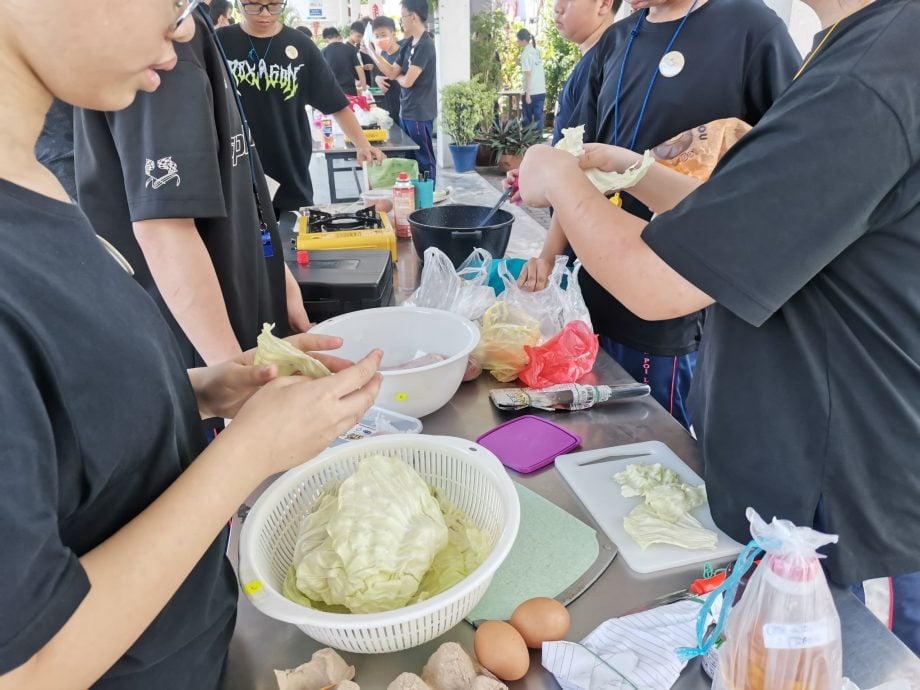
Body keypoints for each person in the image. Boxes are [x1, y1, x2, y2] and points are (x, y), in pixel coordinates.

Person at [517, 0, 920, 655]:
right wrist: (637, 171)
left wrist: (562, 180)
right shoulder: (854, 47)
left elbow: (659, 279)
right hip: (795, 503)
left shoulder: (871, 76)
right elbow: (743, 220)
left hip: (846, 521)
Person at [0, 1, 381, 688]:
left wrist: (204, 388)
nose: (182, 32)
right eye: (173, 3)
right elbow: (28, 668)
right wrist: (249, 453)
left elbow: (63, 422)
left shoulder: (35, 185)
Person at [516, 0, 800, 430]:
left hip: (667, 309)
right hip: (588, 294)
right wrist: (549, 256)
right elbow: (579, 166)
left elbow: (786, 177)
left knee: (655, 445)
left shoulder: (751, 29)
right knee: (591, 435)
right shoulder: (616, 40)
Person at [74, 7, 310, 381]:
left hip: (233, 321)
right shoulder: (162, 33)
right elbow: (163, 228)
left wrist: (274, 269)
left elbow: (232, 167)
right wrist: (237, 382)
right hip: (198, 345)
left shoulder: (186, 23)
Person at [218, 6, 384, 215]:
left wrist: (363, 145)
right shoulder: (219, 42)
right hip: (234, 169)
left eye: (274, 5)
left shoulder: (301, 45)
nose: (265, 14)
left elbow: (334, 102)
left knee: (290, 240)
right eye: (254, 5)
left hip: (289, 167)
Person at [367, 0, 438, 182]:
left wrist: (398, 78)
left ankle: (428, 197)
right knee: (410, 159)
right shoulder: (408, 44)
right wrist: (373, 53)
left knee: (424, 158)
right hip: (405, 111)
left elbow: (406, 81)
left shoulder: (425, 45)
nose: (401, 22)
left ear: (413, 17)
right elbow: (391, 71)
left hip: (419, 113)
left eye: (402, 17)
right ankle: (413, 198)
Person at [551, 0, 619, 144]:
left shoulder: (596, 68)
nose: (557, 8)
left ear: (604, 4)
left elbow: (582, 154)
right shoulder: (602, 58)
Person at [369, 16, 403, 122]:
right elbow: (376, 89)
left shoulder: (403, 54)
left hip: (404, 110)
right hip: (388, 111)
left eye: (383, 35)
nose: (380, 39)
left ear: (393, 33)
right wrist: (377, 79)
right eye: (377, 36)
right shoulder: (382, 55)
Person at [516, 28, 547, 134]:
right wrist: (520, 64)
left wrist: (528, 93)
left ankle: (528, 144)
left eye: (518, 40)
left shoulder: (525, 54)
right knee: (539, 118)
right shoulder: (536, 51)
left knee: (527, 120)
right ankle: (539, 142)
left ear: (523, 40)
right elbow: (533, 69)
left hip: (532, 91)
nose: (517, 42)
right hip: (541, 90)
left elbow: (528, 74)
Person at [321, 27, 366, 96]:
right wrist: (364, 88)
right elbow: (359, 70)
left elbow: (322, 74)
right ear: (338, 36)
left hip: (333, 90)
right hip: (350, 89)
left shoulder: (323, 52)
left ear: (326, 39)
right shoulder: (350, 49)